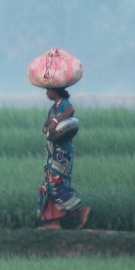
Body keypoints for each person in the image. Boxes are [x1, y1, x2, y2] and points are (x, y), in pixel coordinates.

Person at [38, 86, 90, 229]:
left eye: (48, 90)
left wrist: (54, 121)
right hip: (53, 151)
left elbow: (70, 111)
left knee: (55, 183)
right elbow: (48, 125)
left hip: (62, 151)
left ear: (55, 91)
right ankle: (54, 223)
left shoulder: (64, 104)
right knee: (47, 185)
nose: (46, 92)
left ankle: (81, 209)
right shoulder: (54, 108)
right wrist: (47, 126)